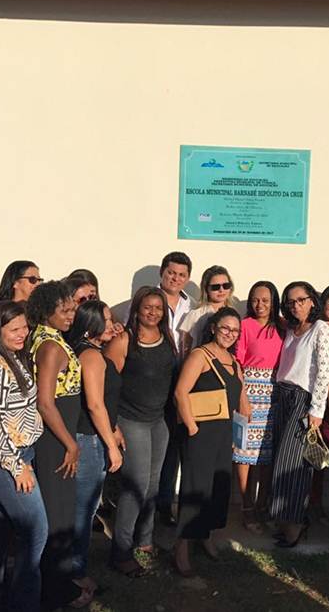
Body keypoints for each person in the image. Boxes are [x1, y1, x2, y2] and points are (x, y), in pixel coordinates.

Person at [0, 301, 46, 612]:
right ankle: (24, 603)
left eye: (24, 327)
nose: (21, 333)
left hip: (18, 454)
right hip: (4, 459)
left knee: (3, 532)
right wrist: (17, 467)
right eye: (13, 329)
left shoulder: (14, 358)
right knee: (36, 530)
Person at [104, 287, 177, 577]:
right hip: (131, 421)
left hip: (159, 422)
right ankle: (120, 552)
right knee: (135, 486)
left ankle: (145, 540)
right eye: (147, 307)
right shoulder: (124, 340)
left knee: (153, 485)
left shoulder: (167, 338)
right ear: (137, 309)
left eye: (158, 308)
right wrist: (113, 426)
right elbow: (107, 384)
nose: (153, 312)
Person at [27, 281, 90, 609]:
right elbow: (45, 402)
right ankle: (53, 590)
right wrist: (70, 443)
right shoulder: (50, 346)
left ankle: (60, 583)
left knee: (61, 511)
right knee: (58, 515)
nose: (71, 315)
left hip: (59, 436)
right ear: (46, 311)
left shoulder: (49, 338)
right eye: (64, 310)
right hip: (56, 440)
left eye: (72, 309)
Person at [173, 308, 248, 577]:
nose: (230, 334)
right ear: (214, 327)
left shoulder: (234, 362)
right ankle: (182, 546)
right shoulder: (200, 355)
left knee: (217, 489)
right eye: (225, 328)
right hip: (201, 433)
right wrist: (192, 428)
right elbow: (180, 392)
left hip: (225, 435)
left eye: (235, 330)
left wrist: (240, 433)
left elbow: (242, 400)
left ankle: (205, 536)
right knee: (196, 488)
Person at [268, 281, 329, 548]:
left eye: (301, 300)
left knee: (292, 465)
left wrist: (316, 411)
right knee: (280, 460)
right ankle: (286, 521)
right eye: (291, 301)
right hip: (282, 396)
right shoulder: (290, 329)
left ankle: (295, 525)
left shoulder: (321, 329)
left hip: (303, 401)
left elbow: (324, 372)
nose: (296, 305)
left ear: (312, 301)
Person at [66, 300, 123, 596]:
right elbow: (95, 404)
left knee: (84, 510)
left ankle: (75, 571)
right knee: (83, 511)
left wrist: (114, 429)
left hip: (92, 437)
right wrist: (111, 446)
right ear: (91, 325)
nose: (112, 324)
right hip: (88, 441)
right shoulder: (90, 355)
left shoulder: (91, 351)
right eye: (107, 320)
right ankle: (75, 577)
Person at [233, 281, 284, 533]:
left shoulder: (283, 327)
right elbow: (237, 363)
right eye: (255, 299)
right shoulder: (244, 326)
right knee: (244, 454)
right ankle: (247, 506)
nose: (259, 304)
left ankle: (263, 504)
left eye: (265, 300)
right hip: (249, 393)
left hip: (274, 395)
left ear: (274, 302)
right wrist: (242, 397)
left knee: (266, 456)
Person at [153, 252, 194, 526]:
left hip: (182, 379)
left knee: (173, 447)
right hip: (155, 378)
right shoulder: (148, 300)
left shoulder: (192, 307)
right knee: (152, 446)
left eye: (181, 275)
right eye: (171, 272)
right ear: (162, 272)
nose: (175, 278)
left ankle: (164, 505)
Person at [178, 265, 236, 354]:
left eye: (226, 285)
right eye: (215, 287)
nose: (221, 290)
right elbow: (185, 348)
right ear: (206, 288)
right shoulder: (195, 315)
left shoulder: (234, 315)